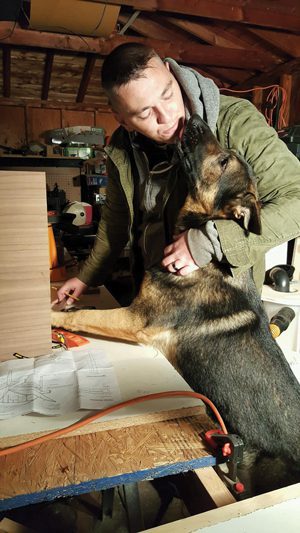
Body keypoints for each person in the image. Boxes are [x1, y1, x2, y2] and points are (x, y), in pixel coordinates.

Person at [55, 42, 300, 306]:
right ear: (122, 119)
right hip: (153, 301)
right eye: (146, 113)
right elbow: (116, 222)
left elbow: (296, 198)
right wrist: (86, 278)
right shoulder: (121, 148)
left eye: (168, 94)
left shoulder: (235, 122)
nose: (167, 116)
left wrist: (211, 241)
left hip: (221, 310)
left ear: (172, 72)